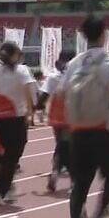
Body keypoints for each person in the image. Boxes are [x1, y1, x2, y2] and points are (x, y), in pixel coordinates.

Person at [62, 15, 109, 218]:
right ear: (104, 34)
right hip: (103, 128)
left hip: (79, 130)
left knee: (80, 182)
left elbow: (61, 94)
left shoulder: (74, 62)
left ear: (83, 35)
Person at [0, 41, 37, 205]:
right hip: (16, 119)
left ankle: (8, 189)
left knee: (3, 155)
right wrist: (30, 113)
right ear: (14, 55)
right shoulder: (21, 70)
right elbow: (28, 92)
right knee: (13, 156)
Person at [44, 51, 72, 192]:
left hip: (55, 118)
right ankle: (71, 177)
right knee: (70, 148)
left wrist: (38, 106)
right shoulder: (76, 76)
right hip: (71, 118)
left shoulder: (53, 77)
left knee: (61, 145)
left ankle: (56, 170)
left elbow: (44, 95)